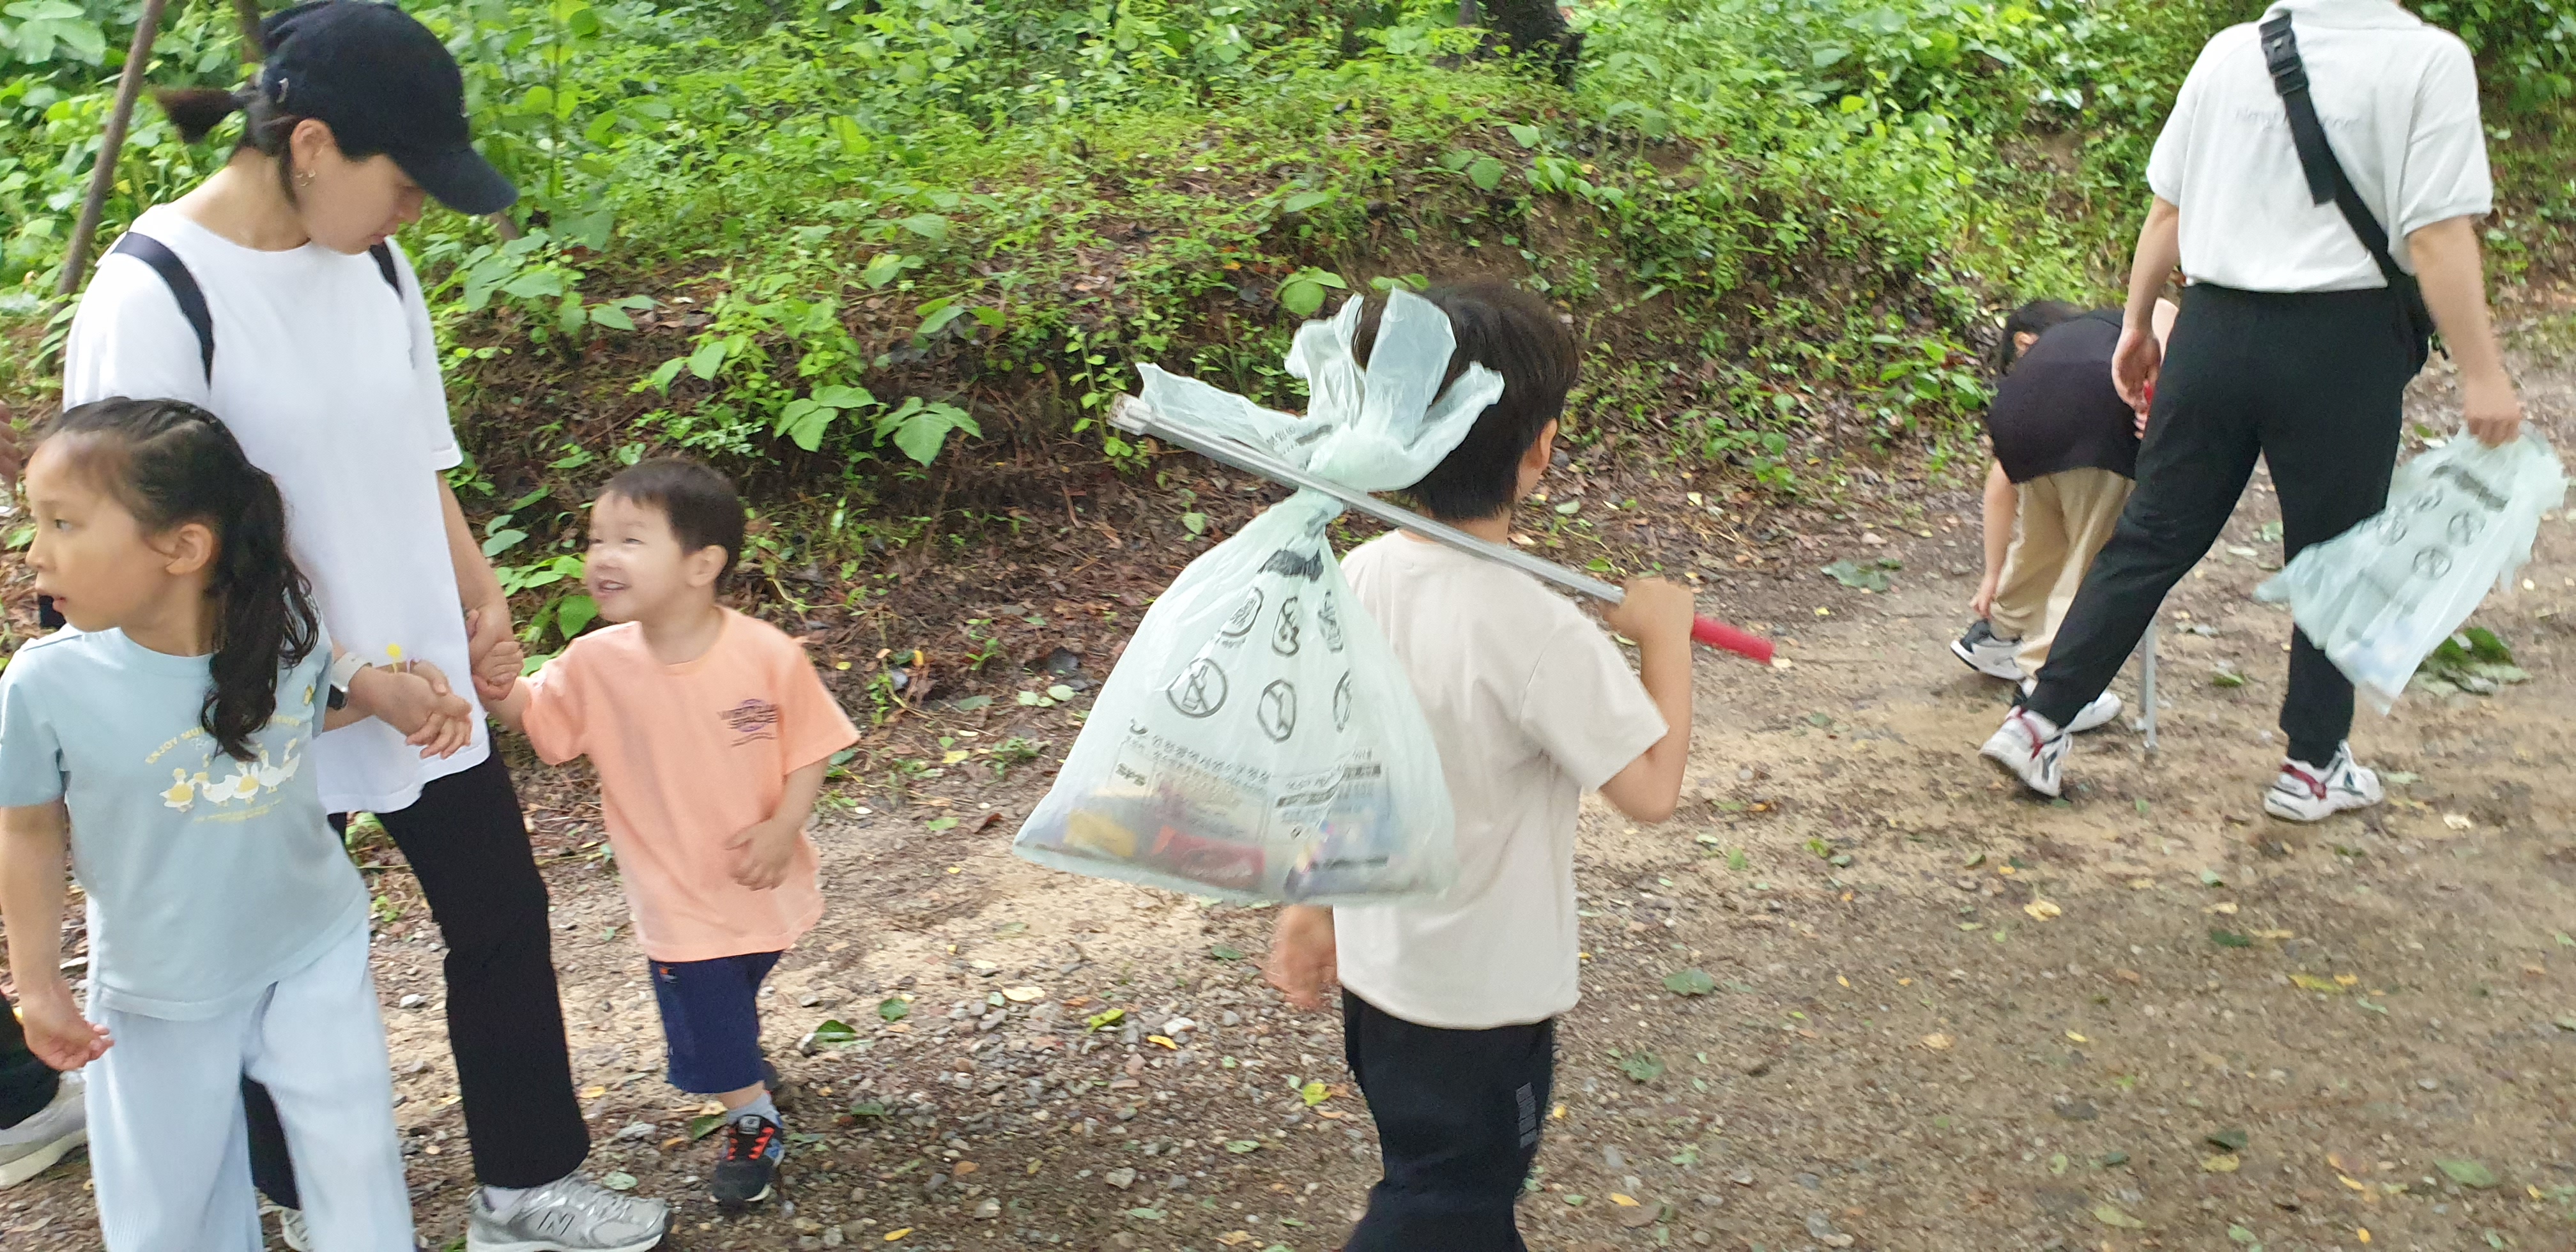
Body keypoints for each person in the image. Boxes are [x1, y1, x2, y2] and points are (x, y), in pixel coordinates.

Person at [58, 4, 670, 1248]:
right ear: (316, 145)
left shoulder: (376, 261)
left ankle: (526, 1185)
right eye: (407, 182)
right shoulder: (158, 295)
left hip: (418, 669)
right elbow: (141, 559)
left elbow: (414, 451)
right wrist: (334, 678)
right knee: (264, 964)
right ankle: (290, 1196)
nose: (420, 214)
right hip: (258, 699)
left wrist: (476, 591)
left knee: (500, 911)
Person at [1981, 0, 2522, 818]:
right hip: (2340, 342)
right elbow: (2439, 235)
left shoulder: (2235, 53)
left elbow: (2169, 208)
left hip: (2215, 328)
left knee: (2156, 532)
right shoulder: (2427, 61)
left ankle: (2039, 717)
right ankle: (2312, 766)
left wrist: (2138, 324)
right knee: (2335, 555)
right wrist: (2483, 373)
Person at [1262, 282, 1695, 1252]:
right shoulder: (1538, 629)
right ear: (1540, 448)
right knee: (1449, 1210)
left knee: (1431, 1187)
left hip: (1383, 985)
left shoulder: (1361, 576)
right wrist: (1666, 644)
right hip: (1485, 1006)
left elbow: (1343, 766)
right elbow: (1652, 791)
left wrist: (1309, 904)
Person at [0, 397, 475, 1250]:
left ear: (183, 548)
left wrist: (381, 697)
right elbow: (28, 830)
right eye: (34, 522)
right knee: (170, 1211)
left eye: (63, 523)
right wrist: (37, 983)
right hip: (157, 988)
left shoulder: (280, 626)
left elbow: (286, 710)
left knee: (355, 1163)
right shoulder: (46, 686)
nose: (34, 552)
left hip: (310, 947)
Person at [481, 460, 858, 1212]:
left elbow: (813, 743)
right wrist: (493, 685)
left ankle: (740, 1062)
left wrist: (785, 828)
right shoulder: (596, 661)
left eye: (630, 539)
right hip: (673, 898)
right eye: (595, 539)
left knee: (736, 990)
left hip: (761, 877)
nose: (602, 557)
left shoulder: (764, 653)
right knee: (706, 1023)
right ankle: (753, 1117)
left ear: (702, 564)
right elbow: (540, 719)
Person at [1952, 296, 2179, 735]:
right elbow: (2167, 309)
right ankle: (2043, 691)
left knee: (2046, 537)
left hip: (2014, 420)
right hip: (2097, 418)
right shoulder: (2113, 327)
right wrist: (2163, 399)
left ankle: (2000, 631)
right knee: (2092, 558)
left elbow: (2000, 483)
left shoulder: (2056, 350)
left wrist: (1993, 574)